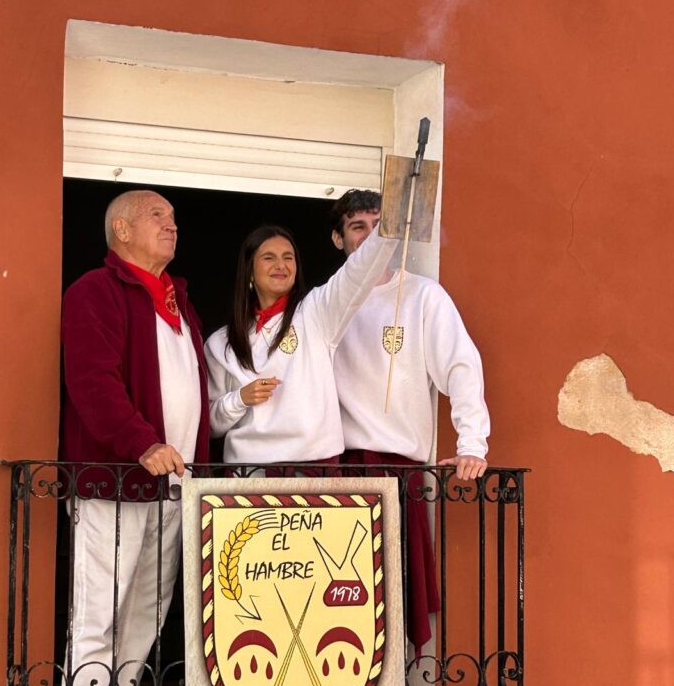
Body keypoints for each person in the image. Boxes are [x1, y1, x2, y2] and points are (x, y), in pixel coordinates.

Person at [60, 189, 209, 686]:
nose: (171, 225)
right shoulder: (94, 292)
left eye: (174, 218)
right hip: (117, 481)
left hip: (171, 488)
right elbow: (92, 382)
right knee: (100, 610)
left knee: (145, 616)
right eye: (157, 216)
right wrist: (141, 443)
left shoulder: (179, 306)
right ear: (121, 230)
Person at [329, 189, 490, 650]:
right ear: (338, 238)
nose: (371, 237)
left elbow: (460, 366)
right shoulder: (325, 303)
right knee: (337, 607)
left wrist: (472, 444)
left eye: (380, 227)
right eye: (358, 227)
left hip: (399, 472)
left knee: (393, 604)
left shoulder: (423, 296)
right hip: (337, 471)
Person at [204, 223, 397, 466]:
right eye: (269, 257)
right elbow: (209, 426)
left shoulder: (316, 312)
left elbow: (358, 270)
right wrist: (239, 399)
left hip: (314, 469)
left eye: (288, 257)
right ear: (249, 271)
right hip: (248, 471)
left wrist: (392, 219)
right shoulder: (220, 343)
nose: (281, 265)